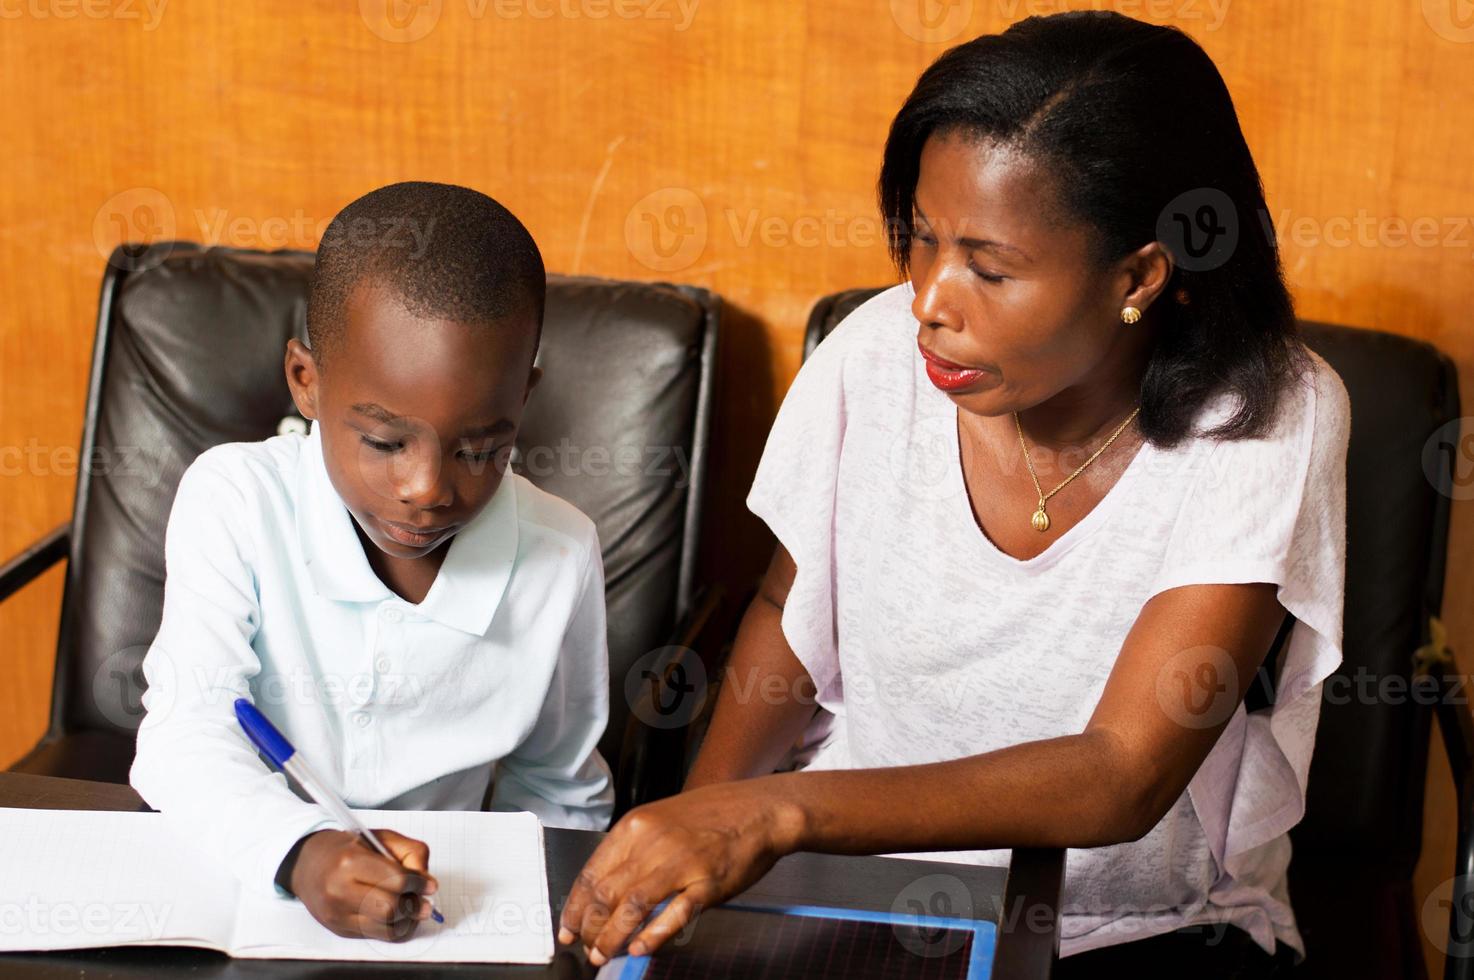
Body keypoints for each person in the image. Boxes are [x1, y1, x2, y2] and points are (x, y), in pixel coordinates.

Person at [559, 12, 1347, 976]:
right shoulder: (873, 355)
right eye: (922, 239)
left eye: (990, 266)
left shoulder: (1272, 411)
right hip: (855, 885)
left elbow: (1121, 773)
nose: (930, 300)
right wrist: (696, 838)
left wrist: (766, 815)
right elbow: (789, 610)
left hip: (1129, 927)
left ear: (1138, 274)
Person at [131, 181, 613, 943]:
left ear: (525, 397)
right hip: (247, 872)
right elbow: (183, 734)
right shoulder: (235, 498)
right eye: (385, 442)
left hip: (442, 908)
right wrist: (300, 853)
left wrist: (538, 928)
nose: (427, 489)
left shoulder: (561, 550)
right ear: (307, 382)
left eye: (481, 448)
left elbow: (559, 789)